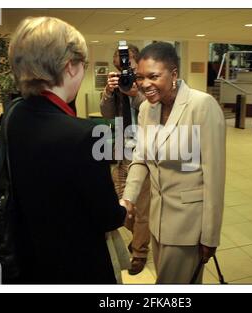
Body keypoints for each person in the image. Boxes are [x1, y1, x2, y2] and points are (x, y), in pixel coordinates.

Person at [7, 16, 131, 283]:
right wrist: (124, 207)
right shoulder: (82, 135)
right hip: (77, 266)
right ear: (70, 67)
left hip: (31, 259)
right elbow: (108, 216)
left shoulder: (14, 115)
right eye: (83, 65)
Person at [121, 42, 226, 283]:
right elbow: (141, 157)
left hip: (188, 225)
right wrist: (128, 199)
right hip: (157, 223)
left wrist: (210, 236)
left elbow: (214, 176)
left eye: (153, 76)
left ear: (174, 74)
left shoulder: (202, 106)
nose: (145, 84)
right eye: (140, 77)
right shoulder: (148, 108)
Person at [100, 45, 151, 275]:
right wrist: (109, 92)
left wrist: (135, 94)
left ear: (137, 63)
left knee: (141, 206)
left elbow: (154, 110)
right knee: (120, 201)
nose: (125, 69)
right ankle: (144, 234)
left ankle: (139, 251)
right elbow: (107, 114)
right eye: (121, 65)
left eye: (128, 63)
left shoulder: (147, 83)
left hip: (143, 151)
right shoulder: (118, 84)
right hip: (122, 150)